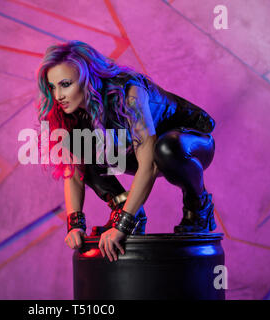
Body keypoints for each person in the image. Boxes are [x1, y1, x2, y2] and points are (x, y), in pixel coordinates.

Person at [36, 40, 216, 262]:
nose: (58, 95)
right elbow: (74, 173)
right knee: (80, 145)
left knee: (166, 148)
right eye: (52, 87)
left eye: (65, 84)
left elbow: (148, 165)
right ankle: (127, 209)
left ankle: (198, 206)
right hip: (139, 153)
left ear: (88, 78)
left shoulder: (129, 92)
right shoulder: (68, 114)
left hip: (190, 144)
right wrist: (75, 225)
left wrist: (122, 224)